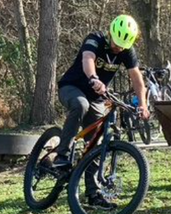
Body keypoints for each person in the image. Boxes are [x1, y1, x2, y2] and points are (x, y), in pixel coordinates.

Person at [54, 15, 150, 179]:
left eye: (123, 46)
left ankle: (93, 193)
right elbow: (88, 58)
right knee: (81, 105)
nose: (119, 48)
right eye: (116, 44)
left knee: (95, 143)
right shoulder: (95, 39)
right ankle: (61, 155)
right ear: (111, 34)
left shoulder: (127, 51)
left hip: (96, 98)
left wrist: (143, 104)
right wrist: (93, 78)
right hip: (72, 87)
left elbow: (136, 78)